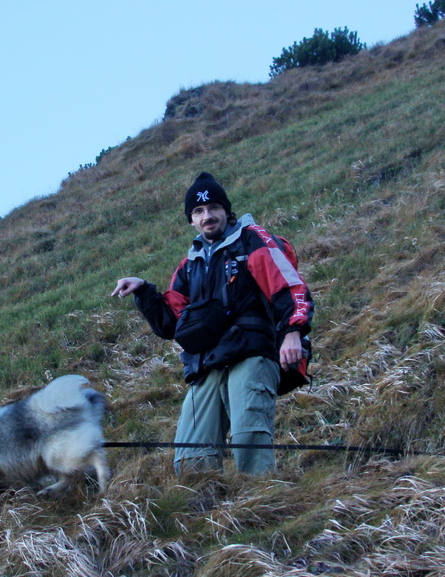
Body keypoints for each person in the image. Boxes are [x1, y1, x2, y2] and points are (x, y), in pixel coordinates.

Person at [111, 172, 314, 475]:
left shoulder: (251, 239)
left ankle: (265, 506)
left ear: (226, 211)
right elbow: (171, 322)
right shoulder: (190, 264)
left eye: (214, 208)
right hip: (205, 362)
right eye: (198, 211)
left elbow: (289, 286)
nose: (207, 216)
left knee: (249, 438)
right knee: (189, 456)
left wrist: (293, 333)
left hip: (251, 352)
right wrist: (143, 290)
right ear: (191, 220)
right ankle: (205, 516)